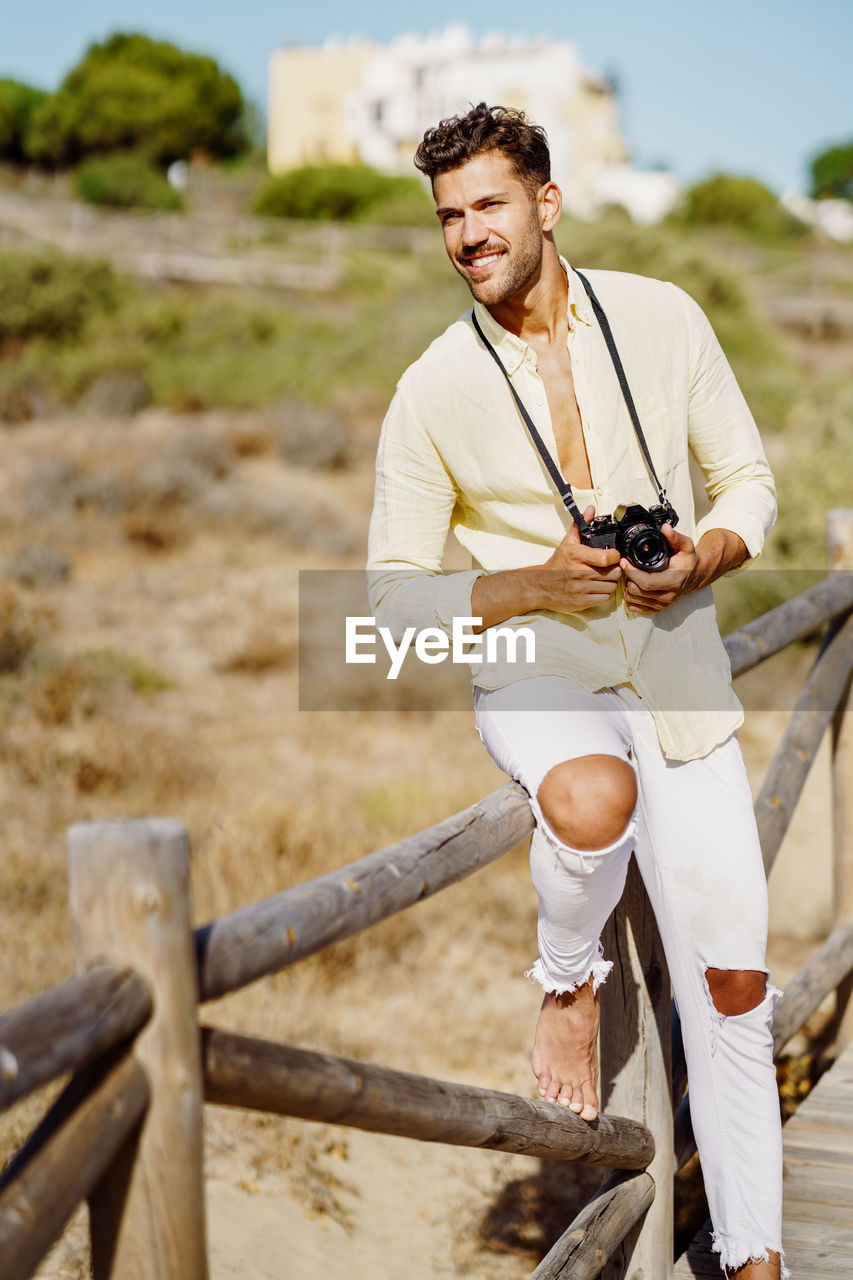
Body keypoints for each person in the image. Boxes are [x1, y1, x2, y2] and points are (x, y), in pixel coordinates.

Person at [366, 103, 785, 1279]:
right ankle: (564, 980)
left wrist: (703, 555)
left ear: (545, 204)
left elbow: (747, 482)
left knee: (735, 980)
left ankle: (755, 1256)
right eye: (447, 215)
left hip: (681, 669)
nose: (465, 233)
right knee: (591, 796)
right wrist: (535, 583)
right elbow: (388, 606)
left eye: (487, 204)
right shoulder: (431, 388)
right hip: (538, 668)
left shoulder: (660, 316)